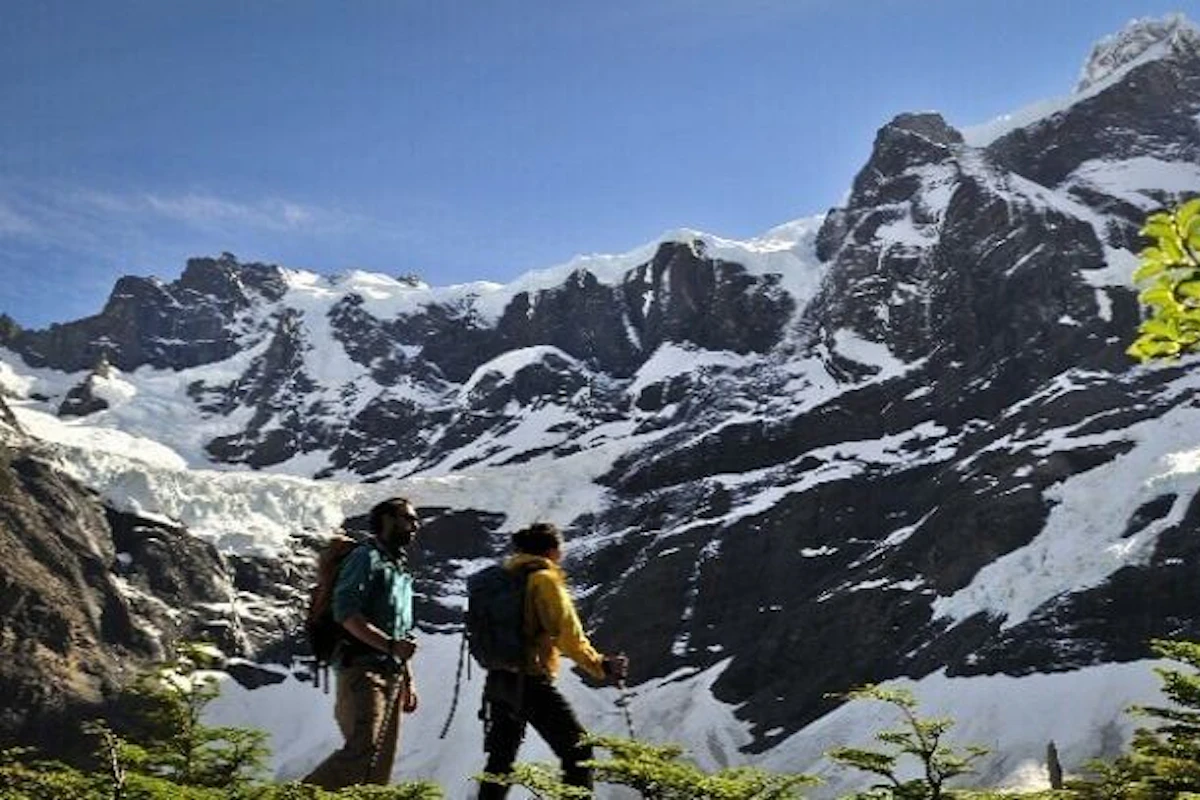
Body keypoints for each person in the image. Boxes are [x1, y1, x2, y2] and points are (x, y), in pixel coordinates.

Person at [478, 522, 629, 799]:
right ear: (552, 551)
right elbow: (568, 636)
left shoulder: (506, 578)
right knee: (579, 751)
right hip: (530, 681)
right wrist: (601, 665)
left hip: (498, 681)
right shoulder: (544, 579)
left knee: (500, 762)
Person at [304, 497, 422, 789]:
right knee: (362, 751)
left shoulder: (400, 570)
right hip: (362, 670)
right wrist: (391, 647)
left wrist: (408, 679)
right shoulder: (365, 558)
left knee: (378, 770)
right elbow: (346, 612)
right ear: (387, 520)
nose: (415, 526)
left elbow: (400, 631)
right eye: (408, 519)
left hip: (391, 674)